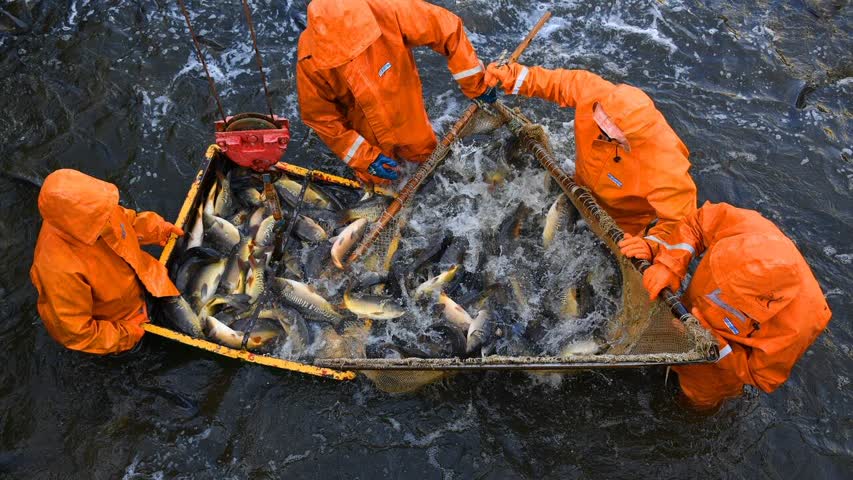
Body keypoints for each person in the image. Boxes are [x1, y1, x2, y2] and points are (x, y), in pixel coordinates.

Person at [485, 63, 697, 259]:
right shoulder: (597, 95)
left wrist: (652, 245)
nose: (601, 129)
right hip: (577, 188)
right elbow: (558, 83)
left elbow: (683, 225)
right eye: (601, 119)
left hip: (617, 227)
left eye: (610, 132)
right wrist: (511, 76)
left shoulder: (666, 163)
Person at [637, 202, 831, 409]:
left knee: (692, 404)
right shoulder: (748, 227)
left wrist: (712, 344)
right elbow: (698, 224)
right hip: (679, 313)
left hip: (714, 366)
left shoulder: (802, 321)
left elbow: (763, 377)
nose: (718, 292)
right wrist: (669, 265)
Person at [297, 0, 494, 185]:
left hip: (410, 120)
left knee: (433, 166)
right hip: (369, 139)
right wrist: (364, 158)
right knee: (382, 186)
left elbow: (447, 29)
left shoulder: (387, 10)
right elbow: (322, 118)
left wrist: (475, 83)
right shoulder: (309, 59)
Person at [30, 169, 184, 355]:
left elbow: (128, 222)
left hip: (150, 282)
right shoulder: (57, 270)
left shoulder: (96, 209)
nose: (109, 215)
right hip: (124, 324)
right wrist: (126, 334)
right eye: (101, 216)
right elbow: (75, 333)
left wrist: (158, 229)